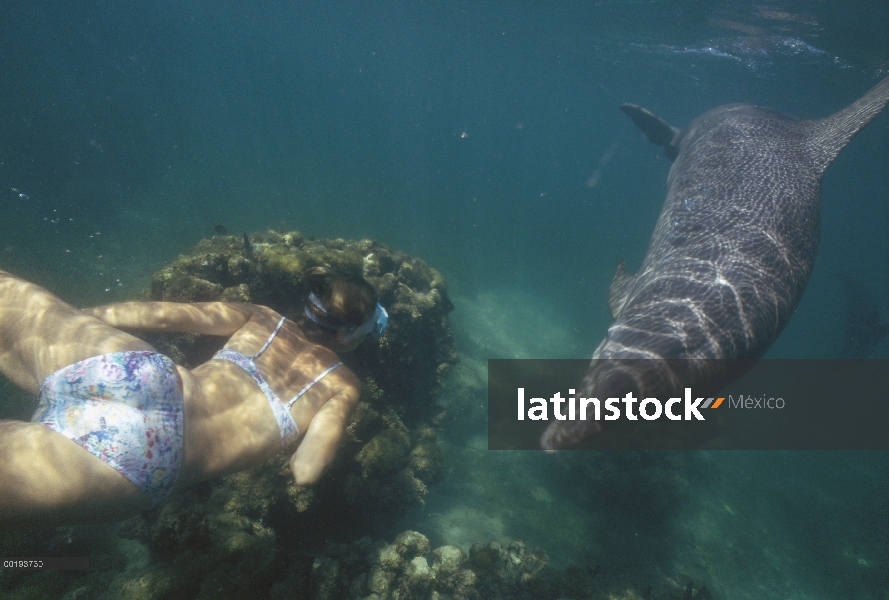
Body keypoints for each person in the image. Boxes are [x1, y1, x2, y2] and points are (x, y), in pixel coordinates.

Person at [0, 266, 387, 531]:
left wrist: (69, 317)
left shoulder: (263, 317)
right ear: (350, 335)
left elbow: (163, 317)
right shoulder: (342, 384)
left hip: (144, 373)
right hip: (146, 459)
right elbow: (307, 470)